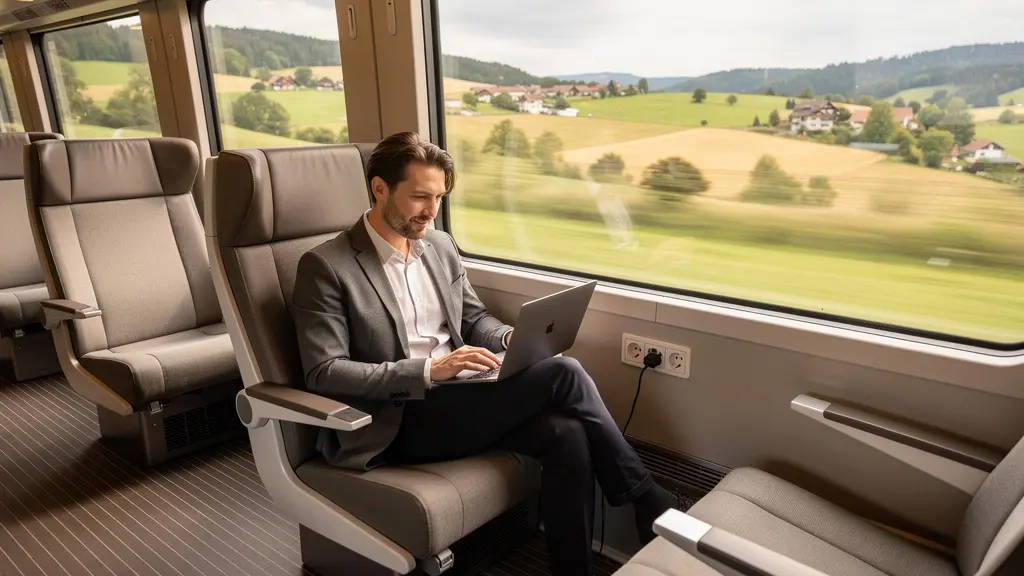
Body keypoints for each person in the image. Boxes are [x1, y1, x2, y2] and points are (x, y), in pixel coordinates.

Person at [291, 131, 676, 576]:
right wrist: (430, 370)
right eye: (419, 197)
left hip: (462, 397)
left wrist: (510, 338)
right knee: (563, 373)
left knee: (565, 434)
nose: (431, 211)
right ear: (379, 189)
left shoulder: (439, 246)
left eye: (438, 197)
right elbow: (325, 371)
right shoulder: (326, 266)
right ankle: (649, 501)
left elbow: (475, 320)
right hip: (398, 418)